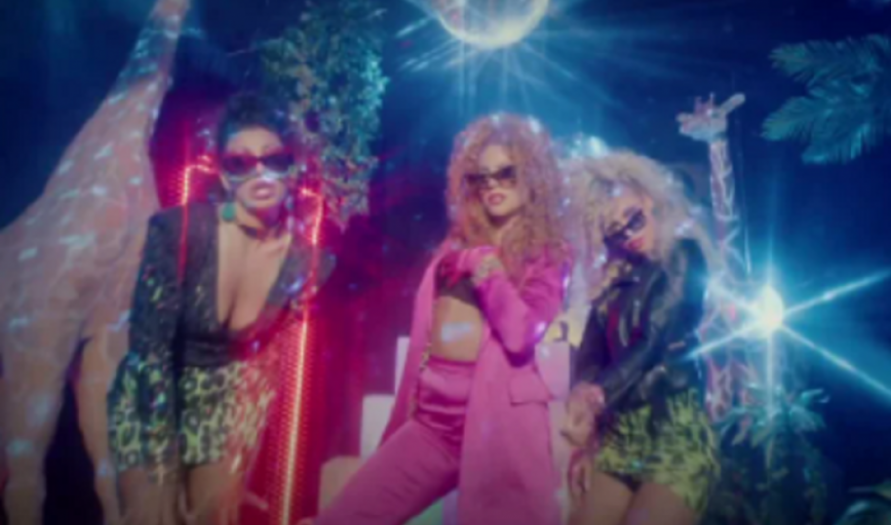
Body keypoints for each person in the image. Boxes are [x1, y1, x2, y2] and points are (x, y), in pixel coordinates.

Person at [316, 114, 571, 525]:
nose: (492, 185)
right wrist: (397, 430)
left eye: (506, 173)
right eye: (481, 177)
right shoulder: (453, 248)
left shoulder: (548, 254)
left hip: (499, 427)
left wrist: (485, 267)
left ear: (532, 176)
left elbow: (521, 333)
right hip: (434, 425)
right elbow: (422, 344)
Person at [107, 92, 334, 525]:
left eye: (274, 159)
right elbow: (149, 353)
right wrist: (161, 470)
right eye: (240, 163)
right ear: (225, 177)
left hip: (226, 399)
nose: (259, 172)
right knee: (152, 515)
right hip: (154, 391)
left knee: (215, 514)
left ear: (292, 168)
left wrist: (236, 459)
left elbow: (265, 367)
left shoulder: (307, 263)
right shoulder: (178, 231)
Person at [562, 151, 720, 525]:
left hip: (674, 433)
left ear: (649, 199)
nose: (629, 235)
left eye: (634, 219)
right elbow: (590, 359)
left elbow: (654, 337)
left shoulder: (682, 253)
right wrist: (587, 442)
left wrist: (597, 394)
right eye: (616, 231)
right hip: (619, 437)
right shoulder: (613, 282)